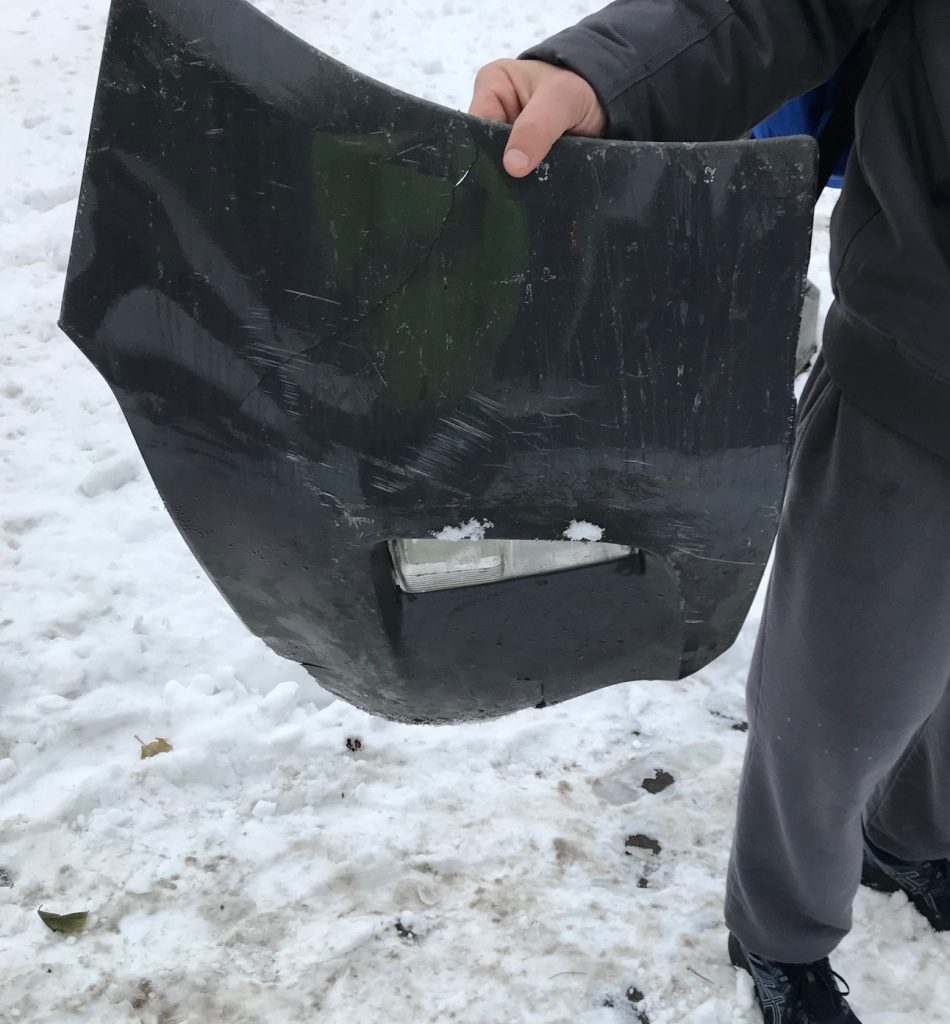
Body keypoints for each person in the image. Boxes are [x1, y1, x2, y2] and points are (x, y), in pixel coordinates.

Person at [469, 1, 950, 1022]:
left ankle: (911, 841)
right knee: (837, 697)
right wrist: (604, 78)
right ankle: (780, 931)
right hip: (917, 381)